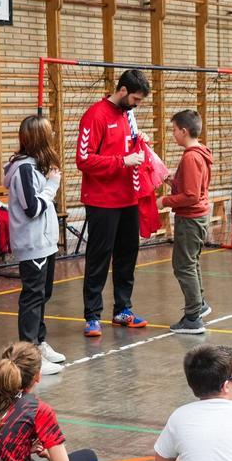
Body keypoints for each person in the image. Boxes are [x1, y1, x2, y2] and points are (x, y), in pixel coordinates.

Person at [78, 69, 152, 337]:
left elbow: (124, 146)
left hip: (127, 197)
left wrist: (138, 140)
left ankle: (123, 309)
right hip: (102, 200)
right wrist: (122, 161)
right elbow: (83, 160)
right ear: (122, 91)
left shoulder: (128, 115)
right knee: (99, 257)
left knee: (127, 255)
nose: (137, 104)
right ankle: (92, 315)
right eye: (135, 99)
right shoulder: (95, 115)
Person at [3, 115, 66, 375]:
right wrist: (51, 187)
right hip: (32, 244)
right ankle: (27, 354)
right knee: (32, 296)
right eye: (49, 133)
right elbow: (32, 208)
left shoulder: (36, 166)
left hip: (45, 243)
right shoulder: (24, 169)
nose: (53, 136)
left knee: (43, 295)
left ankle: (38, 343)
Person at [158, 109, 214, 334]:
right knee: (191, 262)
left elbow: (191, 196)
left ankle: (192, 318)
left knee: (183, 266)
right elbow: (194, 187)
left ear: (183, 131)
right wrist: (174, 182)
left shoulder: (191, 157)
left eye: (174, 130)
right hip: (198, 217)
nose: (173, 134)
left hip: (190, 219)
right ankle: (198, 305)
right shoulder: (200, 153)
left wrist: (164, 201)